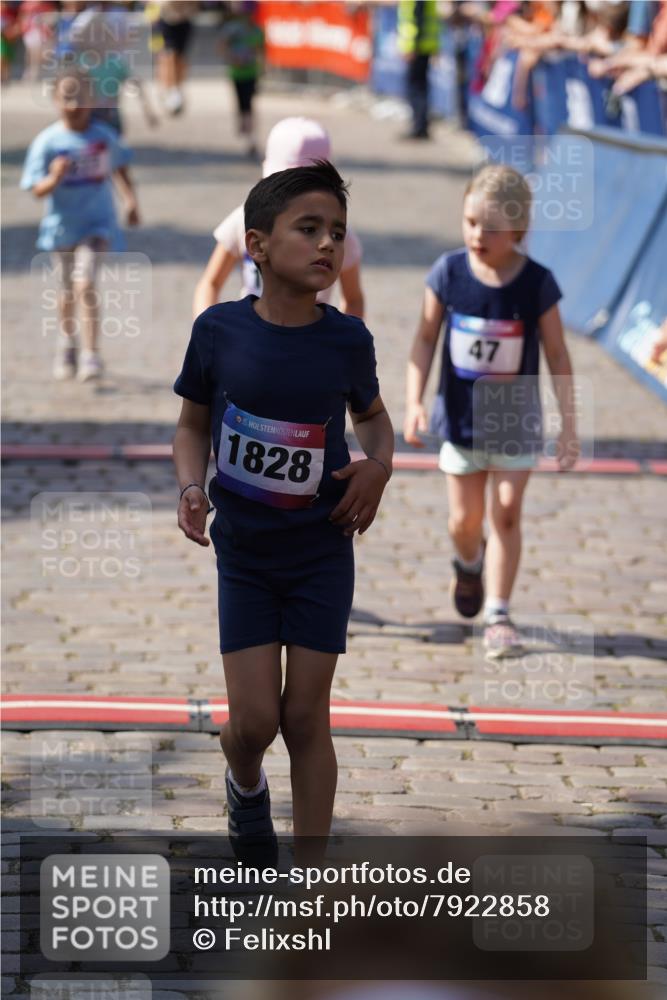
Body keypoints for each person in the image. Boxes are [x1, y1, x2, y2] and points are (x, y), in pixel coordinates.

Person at [173, 161, 393, 860]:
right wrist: (189, 486)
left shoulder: (346, 340)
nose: (327, 243)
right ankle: (242, 782)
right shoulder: (217, 332)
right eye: (309, 229)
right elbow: (190, 426)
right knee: (255, 721)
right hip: (244, 553)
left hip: (321, 549)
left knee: (304, 716)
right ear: (258, 245)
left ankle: (310, 878)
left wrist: (378, 467)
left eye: (337, 231)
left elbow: (375, 422)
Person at [404, 165, 578, 659]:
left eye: (493, 227)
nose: (479, 234)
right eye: (471, 222)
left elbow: (558, 355)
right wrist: (414, 400)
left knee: (505, 512)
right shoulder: (448, 273)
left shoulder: (537, 284)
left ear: (519, 232)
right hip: (460, 422)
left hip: (515, 424)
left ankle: (499, 613)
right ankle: (467, 563)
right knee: (465, 520)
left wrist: (569, 424)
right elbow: (423, 338)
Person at [20, 68, 140, 381]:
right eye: (66, 96)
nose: (73, 104)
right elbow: (35, 189)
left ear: (93, 101)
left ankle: (91, 354)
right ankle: (67, 343)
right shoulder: (47, 142)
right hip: (62, 227)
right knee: (65, 291)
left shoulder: (103, 136)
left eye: (80, 97)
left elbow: (120, 167)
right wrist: (54, 177)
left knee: (84, 282)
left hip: (98, 223)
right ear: (55, 99)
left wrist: (130, 200)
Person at [192, 117, 365, 320]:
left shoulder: (337, 234)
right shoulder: (244, 218)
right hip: (253, 336)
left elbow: (353, 299)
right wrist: (209, 333)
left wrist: (342, 344)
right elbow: (211, 283)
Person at [219, 1, 263, 158]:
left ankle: (250, 136)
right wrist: (231, 58)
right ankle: (245, 130)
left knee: (248, 104)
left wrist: (261, 69)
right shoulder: (232, 29)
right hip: (237, 73)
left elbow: (260, 51)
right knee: (241, 104)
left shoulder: (256, 30)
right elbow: (222, 46)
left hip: (251, 73)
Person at [397, 0, 440, 139]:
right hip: (424, 46)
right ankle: (420, 126)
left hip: (418, 47)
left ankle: (419, 127)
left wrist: (412, 47)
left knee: (416, 88)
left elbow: (418, 19)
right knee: (420, 87)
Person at [155, 0, 193, 115]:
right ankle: (169, 90)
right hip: (166, 18)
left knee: (180, 58)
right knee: (168, 56)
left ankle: (177, 89)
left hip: (183, 19)